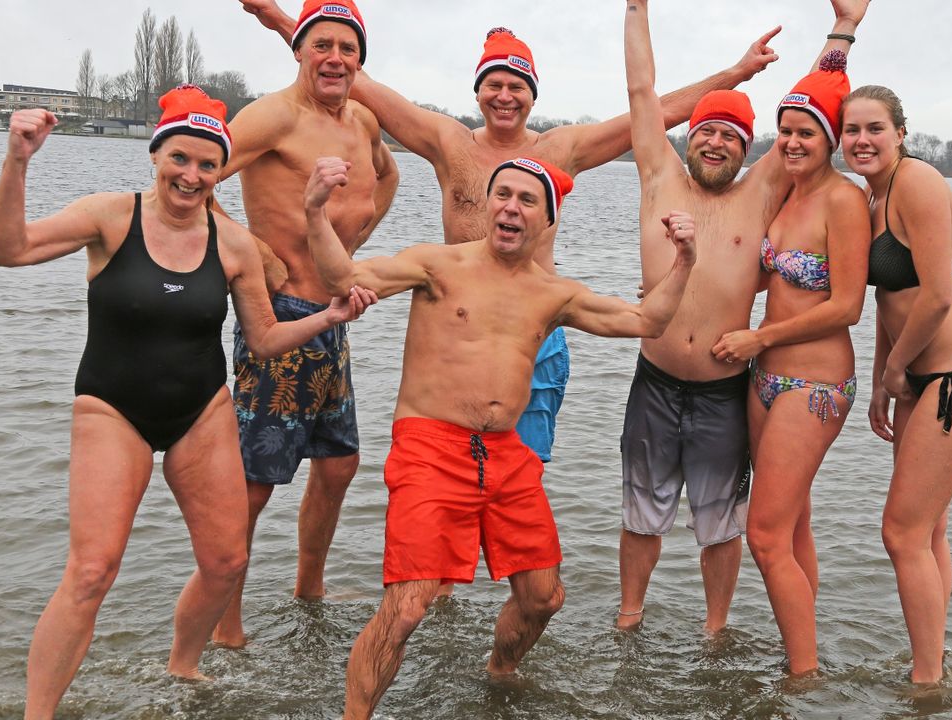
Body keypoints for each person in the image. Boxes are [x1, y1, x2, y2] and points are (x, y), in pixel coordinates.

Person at [237, 0, 778, 466]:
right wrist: (278, 18)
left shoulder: (560, 149)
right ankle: (443, 583)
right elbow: (357, 77)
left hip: (537, 330)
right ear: (478, 93)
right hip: (455, 327)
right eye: (493, 84)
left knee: (519, 471)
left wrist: (735, 74)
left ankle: (513, 580)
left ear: (532, 96)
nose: (504, 96)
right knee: (444, 463)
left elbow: (654, 111)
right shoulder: (447, 141)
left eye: (516, 86)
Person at [0, 88, 374, 719]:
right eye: (180, 159)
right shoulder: (109, 216)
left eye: (207, 165)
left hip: (201, 409)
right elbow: (9, 250)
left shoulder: (234, 244)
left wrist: (327, 317)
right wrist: (19, 161)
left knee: (226, 562)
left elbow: (264, 339)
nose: (191, 175)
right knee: (92, 572)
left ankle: (183, 669)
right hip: (113, 408)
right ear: (156, 156)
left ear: (220, 171)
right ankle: (37, 714)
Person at [301, 154, 696, 720]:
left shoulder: (553, 295)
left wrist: (685, 260)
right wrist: (316, 211)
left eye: (526, 200)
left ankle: (500, 673)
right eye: (502, 195)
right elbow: (344, 278)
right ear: (488, 205)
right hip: (430, 446)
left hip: (506, 454)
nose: (511, 207)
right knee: (409, 607)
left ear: (546, 220)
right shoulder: (436, 265)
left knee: (543, 598)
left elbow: (646, 321)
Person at [618, 0, 870, 634]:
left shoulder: (760, 190)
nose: (716, 140)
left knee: (720, 520)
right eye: (707, 129)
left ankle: (715, 628)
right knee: (640, 512)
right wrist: (636, 8)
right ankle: (628, 617)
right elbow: (641, 87)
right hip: (654, 381)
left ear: (747, 149)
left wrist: (843, 30)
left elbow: (808, 114)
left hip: (723, 390)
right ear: (688, 136)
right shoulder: (657, 176)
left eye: (731, 135)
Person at [211, 0, 400, 648]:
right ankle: (223, 621)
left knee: (341, 463)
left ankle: (308, 588)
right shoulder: (272, 117)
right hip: (279, 315)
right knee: (255, 483)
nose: (336, 58)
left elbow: (389, 174)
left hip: (333, 318)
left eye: (348, 48)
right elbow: (189, 179)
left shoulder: (363, 122)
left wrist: (354, 252)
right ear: (298, 49)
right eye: (322, 45)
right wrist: (249, 252)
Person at [840, 85, 952, 685]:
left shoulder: (918, 183)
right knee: (928, 527)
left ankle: (924, 682)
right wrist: (886, 378)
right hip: (915, 375)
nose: (861, 140)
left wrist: (893, 371)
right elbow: (891, 300)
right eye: (851, 129)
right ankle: (933, 663)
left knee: (901, 531)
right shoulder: (871, 197)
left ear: (900, 133)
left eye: (874, 128)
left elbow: (936, 296)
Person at [710, 51, 870, 675]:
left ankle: (804, 679)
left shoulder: (843, 202)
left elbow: (848, 306)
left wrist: (759, 337)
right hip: (766, 380)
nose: (794, 141)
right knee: (794, 526)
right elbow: (757, 278)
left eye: (808, 132)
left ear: (829, 139)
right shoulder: (786, 197)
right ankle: (801, 648)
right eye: (787, 130)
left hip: (816, 382)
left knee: (765, 535)